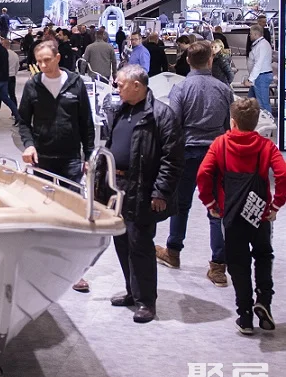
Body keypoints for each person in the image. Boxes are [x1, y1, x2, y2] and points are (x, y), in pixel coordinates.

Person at [197, 98, 286, 334]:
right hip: (260, 213)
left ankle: (245, 316)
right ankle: (264, 301)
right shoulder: (266, 147)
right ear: (256, 123)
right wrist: (276, 205)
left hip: (232, 213)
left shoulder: (220, 144)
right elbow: (283, 174)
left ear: (233, 122)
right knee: (263, 255)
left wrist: (210, 202)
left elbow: (203, 173)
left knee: (238, 263)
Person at [106, 65, 183, 323]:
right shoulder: (121, 110)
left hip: (143, 189)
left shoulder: (161, 115)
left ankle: (146, 302)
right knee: (121, 241)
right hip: (117, 187)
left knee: (140, 244)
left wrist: (160, 191)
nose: (117, 88)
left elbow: (172, 159)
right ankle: (132, 291)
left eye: (120, 84)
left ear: (137, 85)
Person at [19, 40, 95, 293]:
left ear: (58, 58)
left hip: (71, 159)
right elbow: (23, 122)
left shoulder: (75, 83)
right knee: (43, 213)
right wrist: (29, 145)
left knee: (72, 215)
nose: (42, 65)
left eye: (47, 60)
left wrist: (89, 156)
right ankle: (43, 266)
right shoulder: (33, 85)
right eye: (39, 61)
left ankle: (74, 272)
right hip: (42, 161)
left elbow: (86, 123)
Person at [156, 42, 233, 286]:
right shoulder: (224, 90)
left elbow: (174, 126)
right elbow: (227, 127)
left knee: (180, 205)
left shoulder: (180, 89)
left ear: (188, 61)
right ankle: (218, 267)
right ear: (210, 60)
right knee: (216, 208)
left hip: (187, 153)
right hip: (216, 154)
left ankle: (173, 251)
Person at [245, 24, 274, 113]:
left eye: (251, 34)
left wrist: (250, 80)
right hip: (258, 77)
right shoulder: (259, 45)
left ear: (256, 34)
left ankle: (269, 120)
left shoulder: (262, 45)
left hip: (261, 77)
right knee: (250, 102)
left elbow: (258, 64)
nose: (250, 36)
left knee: (263, 104)